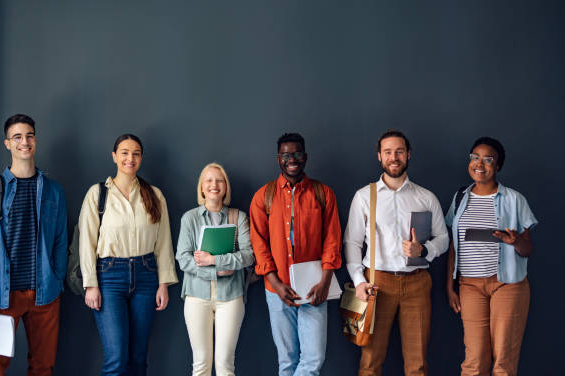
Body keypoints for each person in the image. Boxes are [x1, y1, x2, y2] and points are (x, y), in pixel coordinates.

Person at [344, 129, 449, 376]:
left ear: (408, 155)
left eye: (399, 151)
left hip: (417, 283)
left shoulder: (426, 197)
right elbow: (351, 243)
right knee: (370, 362)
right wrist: (359, 282)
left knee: (418, 363)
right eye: (388, 152)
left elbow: (443, 238)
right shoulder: (363, 196)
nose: (394, 157)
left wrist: (425, 249)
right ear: (379, 156)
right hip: (376, 283)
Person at [0, 114, 68, 375]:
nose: (24, 141)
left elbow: (60, 240)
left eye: (29, 135)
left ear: (35, 139)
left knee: (43, 367)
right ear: (7, 143)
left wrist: (56, 281)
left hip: (44, 293)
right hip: (2, 295)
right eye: (17, 137)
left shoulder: (53, 191)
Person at [78, 133, 178, 376]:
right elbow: (86, 242)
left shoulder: (154, 195)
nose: (130, 158)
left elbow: (163, 242)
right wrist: (90, 284)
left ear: (141, 158)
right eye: (124, 152)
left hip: (146, 277)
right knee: (116, 358)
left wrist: (163, 284)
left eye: (135, 153)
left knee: (138, 358)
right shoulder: (97, 193)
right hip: (109, 277)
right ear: (114, 156)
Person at [249, 132, 342, 376]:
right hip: (277, 291)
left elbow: (332, 241)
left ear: (305, 156)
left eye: (297, 153)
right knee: (287, 362)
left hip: (314, 291)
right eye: (286, 155)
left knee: (313, 360)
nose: (293, 159)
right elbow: (259, 246)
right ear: (278, 158)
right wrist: (276, 284)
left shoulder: (323, 194)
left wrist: (324, 283)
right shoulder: (263, 196)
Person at [445, 137, 537, 376]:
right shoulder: (459, 199)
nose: (480, 164)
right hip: (470, 286)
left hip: (507, 284)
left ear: (497, 166)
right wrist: (450, 286)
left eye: (488, 159)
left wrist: (515, 240)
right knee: (474, 361)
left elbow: (528, 249)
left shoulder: (514, 200)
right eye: (475, 157)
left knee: (503, 362)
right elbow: (454, 246)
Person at [176, 163, 255, 376]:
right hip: (196, 297)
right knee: (201, 364)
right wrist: (215, 271)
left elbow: (248, 255)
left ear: (226, 187)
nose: (214, 185)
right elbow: (183, 259)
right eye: (209, 180)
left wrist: (214, 259)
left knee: (225, 365)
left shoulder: (239, 217)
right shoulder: (189, 218)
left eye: (220, 180)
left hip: (231, 298)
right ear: (202, 187)